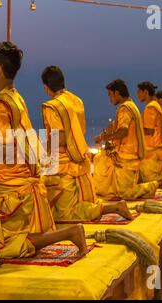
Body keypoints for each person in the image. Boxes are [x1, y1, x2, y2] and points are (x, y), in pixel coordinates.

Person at [0, 42, 88, 262]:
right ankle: (62, 233)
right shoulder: (16, 98)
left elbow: (4, 152)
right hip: (24, 180)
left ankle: (71, 232)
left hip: (12, 186)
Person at [40, 66, 132, 221]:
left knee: (62, 215)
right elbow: (79, 131)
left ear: (46, 86)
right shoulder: (76, 101)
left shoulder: (52, 106)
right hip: (80, 161)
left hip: (64, 167)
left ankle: (112, 207)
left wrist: (40, 149)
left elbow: (60, 139)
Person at [93, 79, 162, 200]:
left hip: (128, 156)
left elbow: (123, 131)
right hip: (131, 153)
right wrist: (103, 136)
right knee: (100, 159)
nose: (110, 99)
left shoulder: (126, 108)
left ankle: (157, 184)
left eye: (110, 95)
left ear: (117, 93)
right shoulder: (131, 106)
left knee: (125, 193)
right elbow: (115, 125)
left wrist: (107, 138)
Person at [137, 81, 162, 183]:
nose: (137, 95)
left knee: (150, 180)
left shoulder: (150, 107)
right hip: (157, 149)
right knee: (153, 177)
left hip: (154, 150)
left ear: (146, 92)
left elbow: (149, 130)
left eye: (139, 92)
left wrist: (134, 131)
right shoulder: (155, 105)